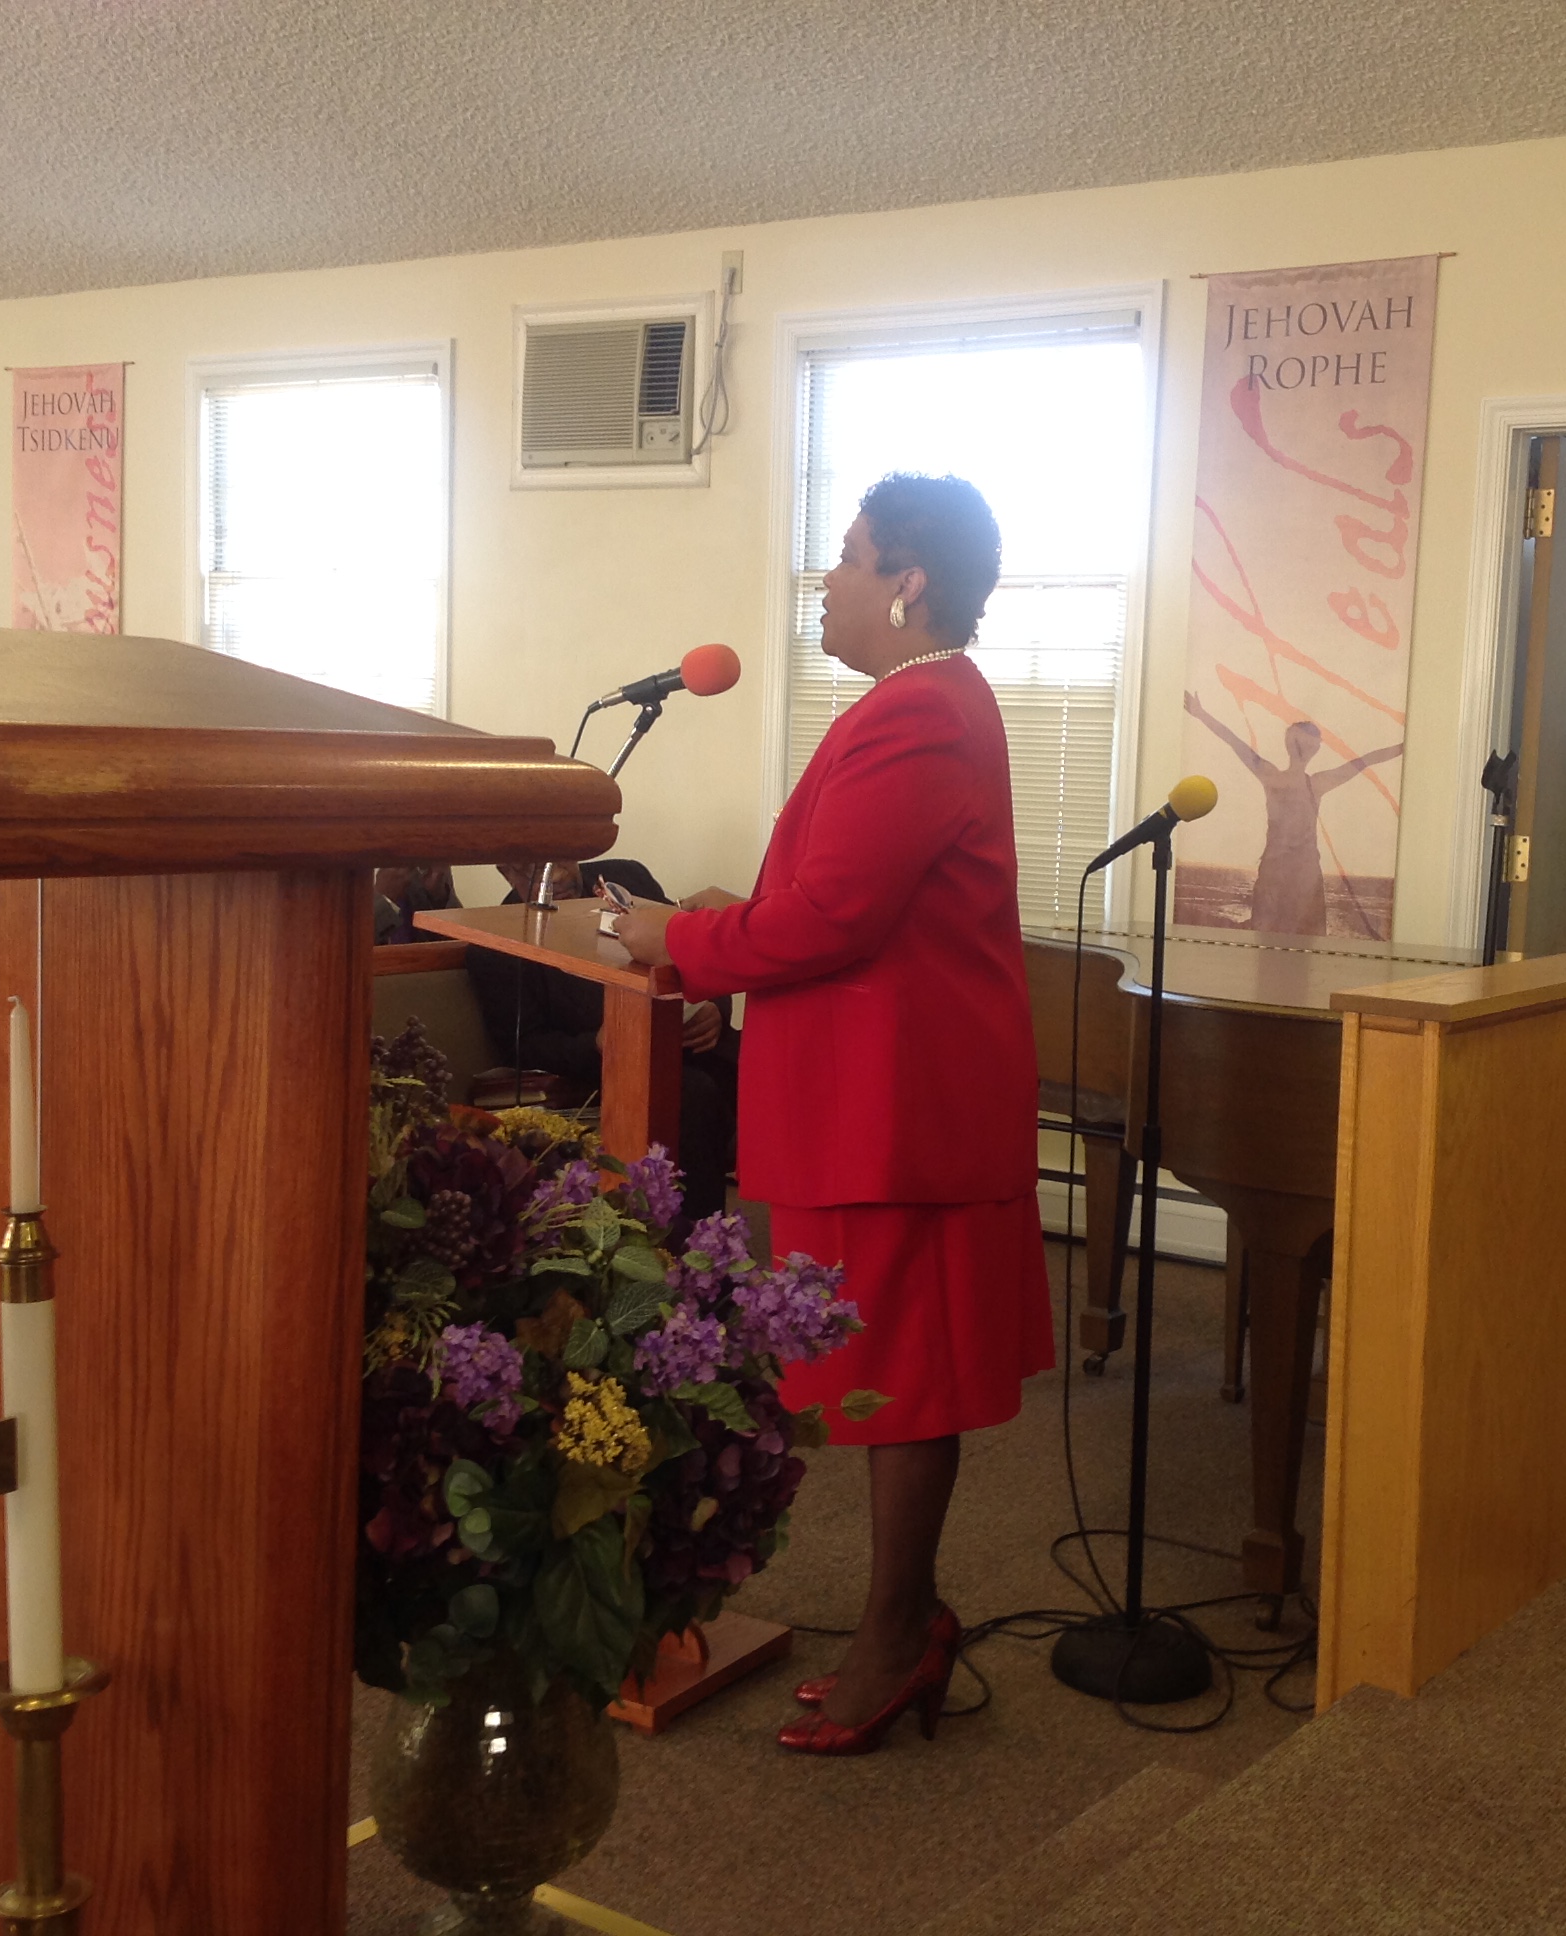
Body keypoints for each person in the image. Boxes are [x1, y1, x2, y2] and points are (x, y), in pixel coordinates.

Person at [613, 472, 1050, 1757]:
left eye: (849, 557)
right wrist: (719, 920)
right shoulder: (917, 704)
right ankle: (902, 1620)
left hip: (893, 1111)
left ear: (908, 582)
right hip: (874, 1098)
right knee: (882, 1374)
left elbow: (833, 919)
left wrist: (678, 939)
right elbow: (843, 896)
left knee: (901, 1379)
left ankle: (899, 1631)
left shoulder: (920, 713)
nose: (826, 578)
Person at [467, 856, 738, 1225]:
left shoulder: (628, 879)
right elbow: (524, 1046)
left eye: (563, 858)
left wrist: (714, 1006)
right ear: (507, 870)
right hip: (599, 1070)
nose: (557, 875)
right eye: (536, 866)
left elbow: (690, 952)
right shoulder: (496, 939)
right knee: (691, 1092)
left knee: (768, 1060)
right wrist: (596, 1043)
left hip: (689, 1041)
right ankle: (701, 1241)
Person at [1182, 694, 1403, 933]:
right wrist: (1201, 714)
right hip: (1286, 873)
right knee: (1282, 938)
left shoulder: (1284, 778)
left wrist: (1202, 714)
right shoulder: (1304, 781)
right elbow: (1365, 761)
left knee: (1289, 938)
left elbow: (1234, 742)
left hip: (1295, 874)